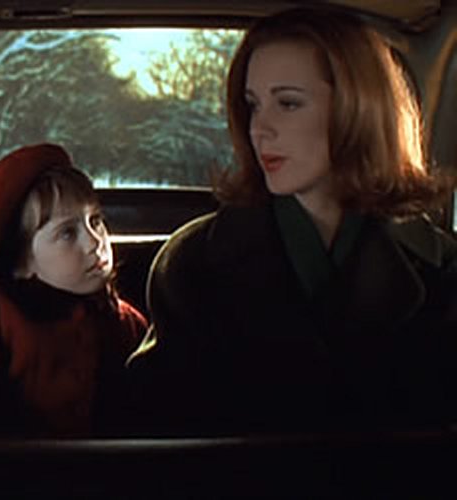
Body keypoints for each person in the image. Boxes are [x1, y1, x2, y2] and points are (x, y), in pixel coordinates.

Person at [128, 7, 457, 436]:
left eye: (288, 103)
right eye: (252, 105)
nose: (259, 129)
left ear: (358, 108)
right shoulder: (192, 262)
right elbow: (156, 434)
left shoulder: (444, 268)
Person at [0, 144, 147, 438]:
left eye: (95, 221)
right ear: (21, 261)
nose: (95, 242)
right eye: (67, 233)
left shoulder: (124, 321)